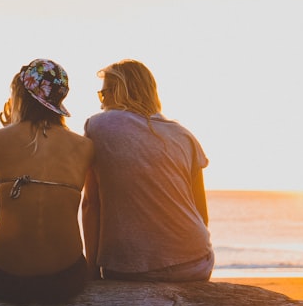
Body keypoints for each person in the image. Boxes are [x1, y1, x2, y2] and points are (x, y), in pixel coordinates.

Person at [0, 58, 94, 303]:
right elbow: (92, 208)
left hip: (6, 280)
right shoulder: (85, 146)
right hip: (67, 281)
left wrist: (10, 259)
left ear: (19, 94)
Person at [82, 59, 214, 281]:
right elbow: (201, 212)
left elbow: (90, 204)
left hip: (130, 268)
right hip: (196, 262)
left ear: (119, 92)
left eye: (104, 94)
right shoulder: (184, 135)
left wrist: (92, 272)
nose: (102, 103)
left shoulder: (99, 126)